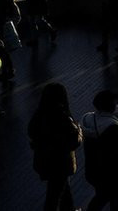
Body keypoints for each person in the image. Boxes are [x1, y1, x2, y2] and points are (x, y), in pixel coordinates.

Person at [29, 83, 82, 211]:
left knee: (62, 187)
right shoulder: (63, 117)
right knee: (54, 196)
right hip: (60, 163)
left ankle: (70, 208)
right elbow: (75, 141)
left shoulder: (39, 115)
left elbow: (31, 133)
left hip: (44, 160)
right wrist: (79, 130)